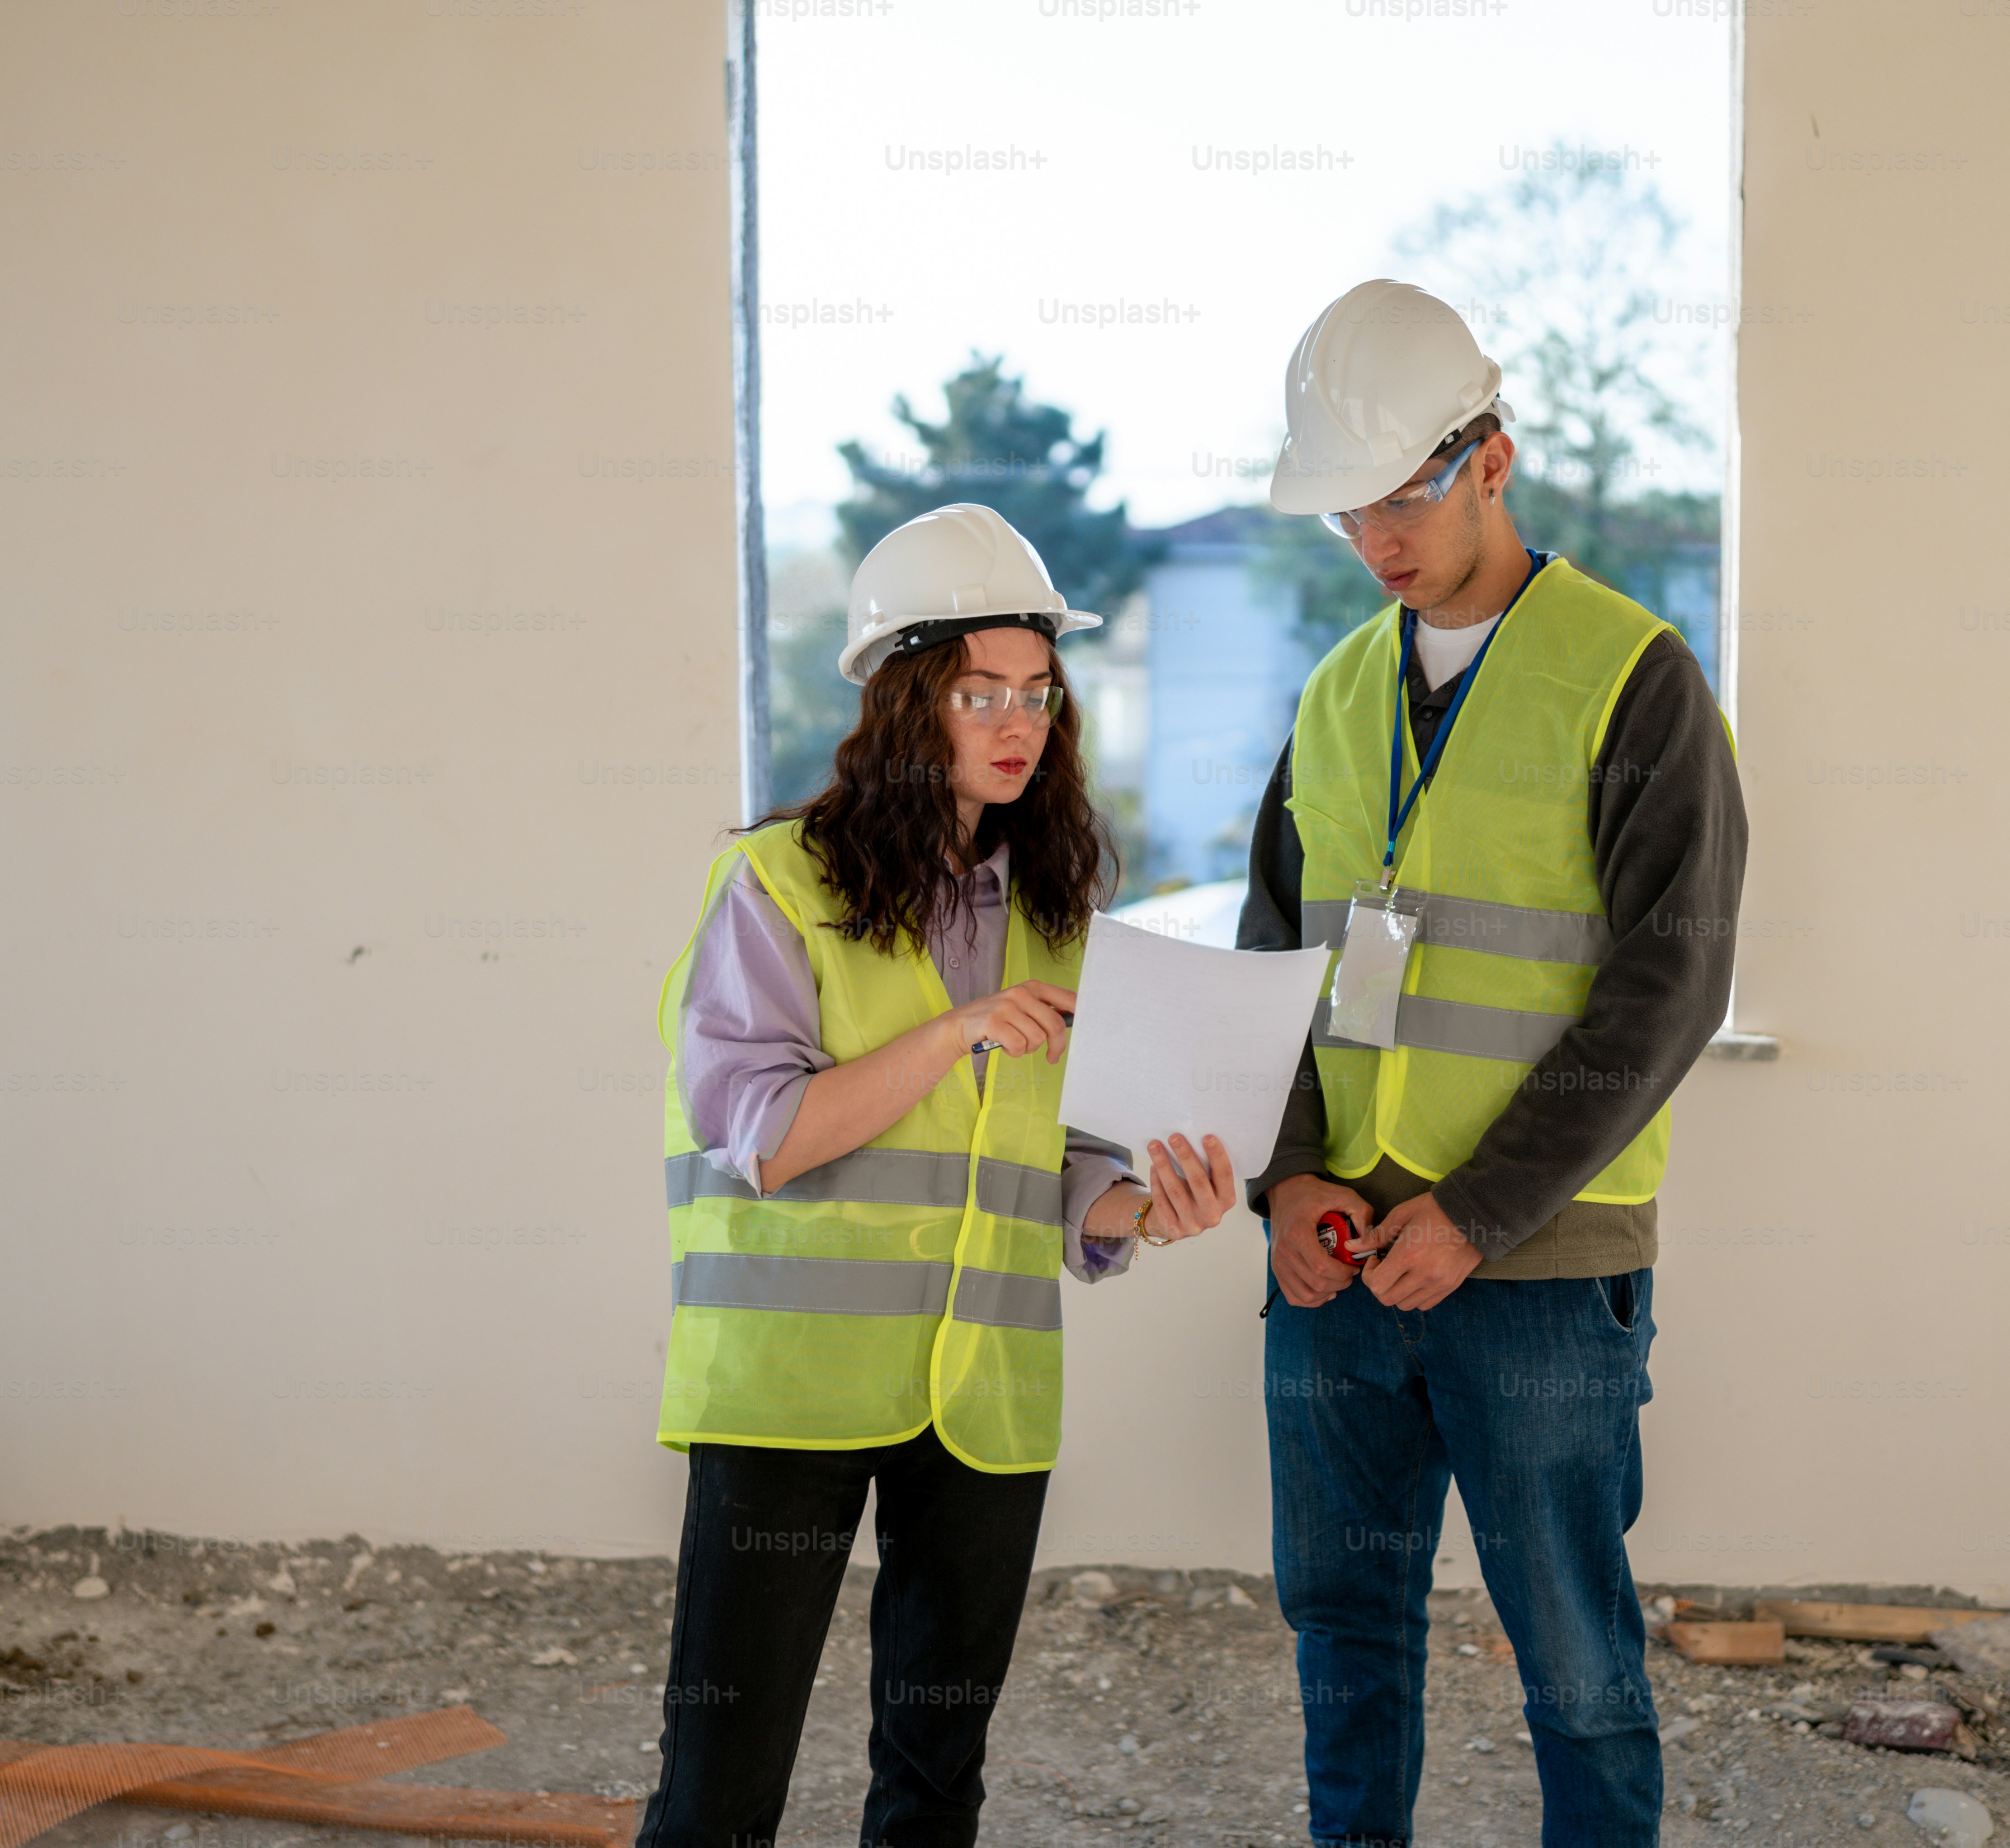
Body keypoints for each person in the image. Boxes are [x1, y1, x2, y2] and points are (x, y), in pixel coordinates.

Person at [641, 501, 1242, 1848]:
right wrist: (954, 1033)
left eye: (1037, 692)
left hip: (981, 1398)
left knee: (933, 1785)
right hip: (789, 1396)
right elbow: (768, 1131)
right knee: (720, 1791)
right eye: (981, 692)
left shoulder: (1051, 910)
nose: (1016, 721)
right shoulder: (776, 886)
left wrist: (1146, 1207)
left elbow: (1061, 1149)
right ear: (908, 699)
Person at [1239, 281, 1749, 1847]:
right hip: (1335, 1257)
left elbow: (1675, 976)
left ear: (1493, 458)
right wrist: (1287, 1179)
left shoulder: (1630, 673)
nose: (1380, 541)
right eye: (1351, 514)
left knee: (1576, 1664)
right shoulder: (1334, 699)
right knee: (1347, 1640)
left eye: (1406, 496)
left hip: (1532, 1263)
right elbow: (1275, 965)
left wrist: (1485, 1208)